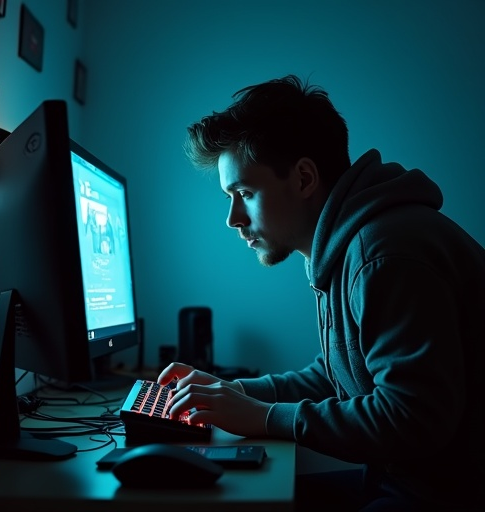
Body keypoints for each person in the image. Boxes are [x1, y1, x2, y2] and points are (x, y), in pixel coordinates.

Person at [157, 75, 485, 511]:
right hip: (407, 481)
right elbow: (340, 376)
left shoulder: (383, 253)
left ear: (305, 178)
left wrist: (264, 418)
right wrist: (231, 393)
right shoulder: (348, 246)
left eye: (245, 193)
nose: (233, 218)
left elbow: (413, 418)